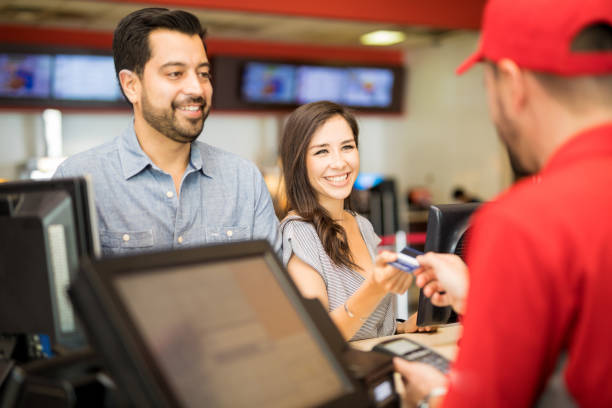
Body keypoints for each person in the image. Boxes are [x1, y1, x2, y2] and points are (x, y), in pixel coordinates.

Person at [393, 0, 612, 406]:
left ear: (512, 82)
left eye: (486, 85)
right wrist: (479, 300)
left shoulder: (526, 220)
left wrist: (432, 395)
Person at [54, 8, 280, 257]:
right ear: (131, 85)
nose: (197, 88)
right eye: (175, 74)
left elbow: (272, 289)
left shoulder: (244, 180)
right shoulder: (79, 179)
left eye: (203, 74)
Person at [279, 101, 423, 341]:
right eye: (321, 151)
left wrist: (403, 327)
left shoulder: (361, 224)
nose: (339, 162)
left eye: (347, 147)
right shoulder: (298, 233)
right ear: (299, 162)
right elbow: (319, 337)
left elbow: (371, 327)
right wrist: (375, 288)